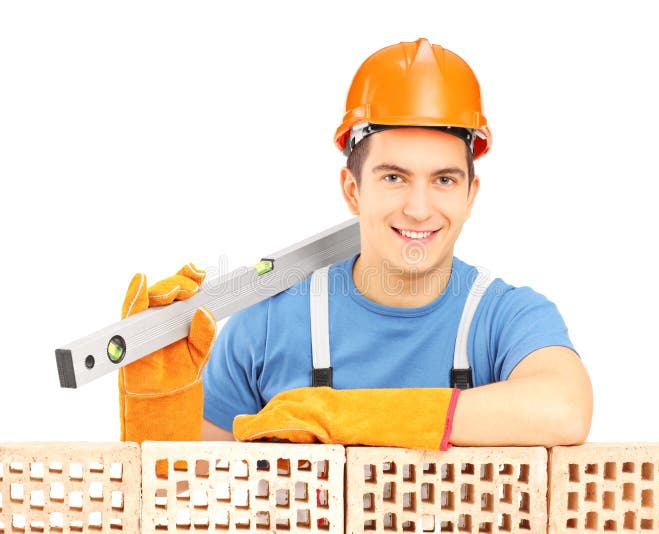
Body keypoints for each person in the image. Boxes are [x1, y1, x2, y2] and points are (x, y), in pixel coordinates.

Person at [118, 38, 593, 450]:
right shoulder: (268, 325)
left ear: (471, 195)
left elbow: (565, 408)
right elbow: (187, 492)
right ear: (352, 190)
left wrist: (340, 416)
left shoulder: (505, 317)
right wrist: (159, 422)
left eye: (444, 180)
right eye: (394, 177)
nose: (420, 208)